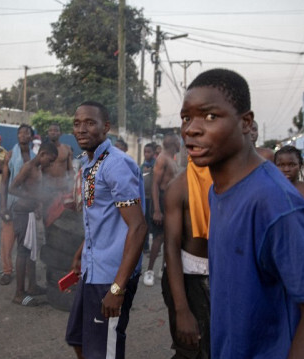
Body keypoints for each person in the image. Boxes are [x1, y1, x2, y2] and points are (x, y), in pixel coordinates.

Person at [182, 68, 304, 358]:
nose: (191, 128)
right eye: (186, 118)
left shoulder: (275, 203)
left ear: (246, 122)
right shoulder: (216, 191)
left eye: (209, 116)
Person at [65, 101, 147, 359]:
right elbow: (101, 217)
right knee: (77, 338)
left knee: (104, 352)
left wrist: (117, 289)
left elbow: (138, 226)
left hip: (111, 276)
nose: (81, 129)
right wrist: (82, 251)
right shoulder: (90, 163)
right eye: (77, 123)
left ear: (106, 127)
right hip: (93, 269)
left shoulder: (115, 164)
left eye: (90, 123)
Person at [162, 156, 212, 358]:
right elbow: (171, 248)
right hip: (190, 278)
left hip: (227, 277)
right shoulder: (179, 186)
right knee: (192, 351)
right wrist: (182, 310)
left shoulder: (239, 179)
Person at [8, 142, 58, 306]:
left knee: (31, 251)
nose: (49, 164)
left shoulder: (38, 169)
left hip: (30, 212)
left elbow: (34, 189)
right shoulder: (28, 167)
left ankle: (32, 286)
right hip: (22, 212)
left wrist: (38, 205)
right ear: (42, 154)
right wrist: (35, 199)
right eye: (49, 160)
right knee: (23, 251)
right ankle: (19, 294)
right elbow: (12, 188)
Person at [0, 124, 36, 286]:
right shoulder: (10, 155)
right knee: (7, 240)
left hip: (29, 205)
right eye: (20, 133)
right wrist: (2, 205)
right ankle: (7, 271)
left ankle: (26, 270)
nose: (22, 135)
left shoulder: (35, 156)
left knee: (27, 241)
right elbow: (4, 181)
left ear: (31, 137)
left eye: (26, 133)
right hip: (12, 203)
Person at [144, 133, 180, 287]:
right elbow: (155, 184)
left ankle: (163, 270)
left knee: (169, 237)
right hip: (161, 201)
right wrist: (157, 210)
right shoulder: (162, 159)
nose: (180, 145)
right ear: (173, 143)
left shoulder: (172, 160)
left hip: (170, 203)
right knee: (158, 238)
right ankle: (149, 271)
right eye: (178, 142)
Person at [43, 122, 74, 192]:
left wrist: (73, 186)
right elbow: (39, 169)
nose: (53, 132)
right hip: (47, 188)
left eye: (56, 130)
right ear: (48, 133)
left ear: (61, 133)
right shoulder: (43, 150)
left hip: (62, 187)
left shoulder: (66, 149)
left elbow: (70, 170)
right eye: (50, 130)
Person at [140, 143, 157, 253]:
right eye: (145, 152)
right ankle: (145, 246)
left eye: (149, 152)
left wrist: (151, 170)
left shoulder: (156, 165)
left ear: (154, 153)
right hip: (143, 198)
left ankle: (155, 245)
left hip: (153, 198)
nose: (146, 154)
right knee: (144, 222)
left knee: (152, 223)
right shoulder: (142, 165)